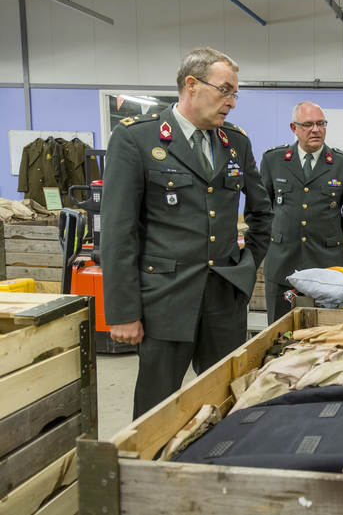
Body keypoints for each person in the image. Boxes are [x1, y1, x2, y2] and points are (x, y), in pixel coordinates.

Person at [101, 47, 272, 419]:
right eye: (225, 90)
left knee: (228, 402)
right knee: (156, 410)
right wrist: (123, 312)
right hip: (165, 300)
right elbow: (118, 231)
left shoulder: (235, 142)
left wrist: (244, 267)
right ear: (191, 84)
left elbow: (262, 212)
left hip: (223, 300)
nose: (232, 102)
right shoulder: (137, 138)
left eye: (235, 93)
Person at [260, 101, 343, 323]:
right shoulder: (273, 160)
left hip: (326, 265)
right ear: (294, 128)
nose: (315, 130)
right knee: (280, 331)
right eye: (308, 124)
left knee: (324, 330)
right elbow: (262, 208)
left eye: (320, 123)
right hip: (282, 264)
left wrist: (328, 235)